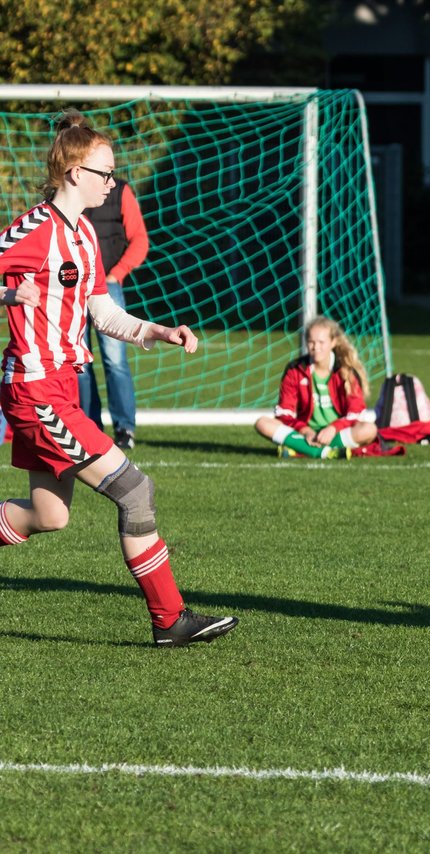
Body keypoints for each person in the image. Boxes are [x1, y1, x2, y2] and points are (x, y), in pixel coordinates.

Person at [0, 109, 238, 647]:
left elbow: (103, 313)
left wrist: (159, 330)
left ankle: (170, 621)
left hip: (60, 387)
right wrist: (9, 294)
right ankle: (170, 620)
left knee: (49, 515)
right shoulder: (33, 230)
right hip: (36, 390)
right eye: (106, 173)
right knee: (135, 491)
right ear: (75, 173)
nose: (113, 182)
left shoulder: (84, 234)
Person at [80, 178, 148, 450]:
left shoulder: (120, 191)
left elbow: (140, 240)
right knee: (78, 364)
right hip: (73, 289)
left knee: (115, 360)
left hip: (107, 288)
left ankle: (125, 428)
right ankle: (88, 426)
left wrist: (115, 275)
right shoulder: (61, 192)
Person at [254, 315, 378, 458]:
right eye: (311, 342)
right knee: (262, 423)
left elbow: (356, 413)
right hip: (305, 433)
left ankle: (303, 450)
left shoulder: (346, 371)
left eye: (321, 342)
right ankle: (326, 452)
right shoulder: (295, 370)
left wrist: (333, 428)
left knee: (369, 429)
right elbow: (284, 413)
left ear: (333, 342)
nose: (316, 347)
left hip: (337, 432)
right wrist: (305, 430)